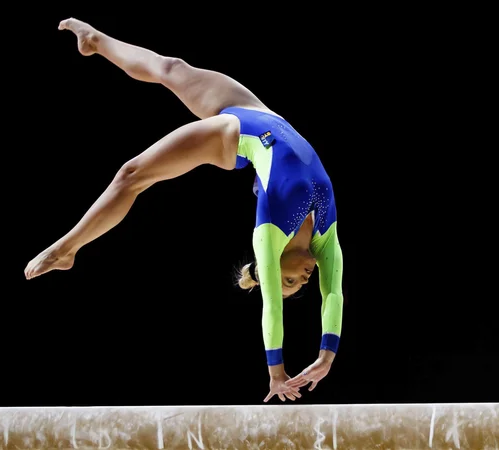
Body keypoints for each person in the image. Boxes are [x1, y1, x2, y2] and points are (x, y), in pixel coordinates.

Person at [24, 18, 345, 403]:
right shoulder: (326, 232)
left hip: (234, 135)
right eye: (300, 284)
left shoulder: (270, 232)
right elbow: (334, 295)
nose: (304, 281)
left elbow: (271, 304)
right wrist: (327, 355)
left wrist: (276, 374)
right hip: (261, 113)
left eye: (291, 282)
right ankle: (96, 41)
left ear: (275, 268)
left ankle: (66, 250)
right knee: (172, 67)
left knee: (132, 173)